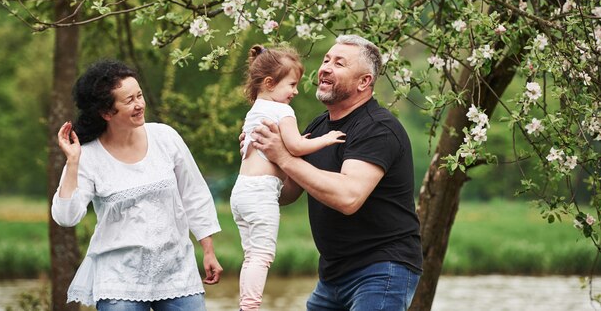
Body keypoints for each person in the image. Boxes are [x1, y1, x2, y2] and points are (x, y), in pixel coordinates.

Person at [250, 35, 423, 311]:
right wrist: (259, 160)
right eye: (326, 60)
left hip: (381, 268)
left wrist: (283, 156)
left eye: (339, 63)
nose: (325, 68)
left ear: (364, 82)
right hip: (332, 274)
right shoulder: (318, 127)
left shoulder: (378, 128)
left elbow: (348, 197)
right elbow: (288, 193)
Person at [51, 60, 222, 311]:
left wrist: (208, 250)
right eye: (129, 100)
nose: (140, 104)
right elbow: (67, 217)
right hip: (119, 280)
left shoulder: (165, 137)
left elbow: (194, 194)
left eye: (139, 95)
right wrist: (74, 162)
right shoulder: (88, 156)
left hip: (176, 272)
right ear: (107, 112)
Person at [231, 44, 346, 311]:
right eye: (291, 84)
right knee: (262, 255)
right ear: (270, 83)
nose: (295, 91)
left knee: (251, 256)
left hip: (241, 192)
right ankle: (249, 307)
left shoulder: (254, 110)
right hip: (261, 193)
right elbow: (294, 147)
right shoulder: (283, 111)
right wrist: (324, 140)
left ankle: (245, 304)